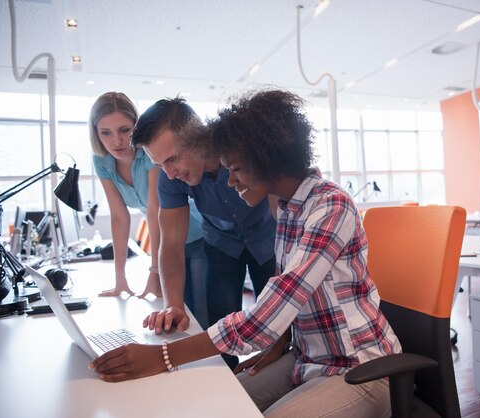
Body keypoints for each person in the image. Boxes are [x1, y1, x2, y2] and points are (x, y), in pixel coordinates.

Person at [90, 90, 401, 418]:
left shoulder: (329, 207)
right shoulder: (288, 209)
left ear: (267, 158)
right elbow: (291, 302)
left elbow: (268, 314)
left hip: (360, 366)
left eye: (236, 168)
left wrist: (164, 356)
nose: (230, 180)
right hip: (307, 359)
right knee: (214, 405)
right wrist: (281, 343)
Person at [128, 96, 277, 368]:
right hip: (221, 245)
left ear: (200, 137)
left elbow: (282, 207)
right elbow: (171, 245)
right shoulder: (170, 179)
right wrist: (173, 304)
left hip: (268, 238)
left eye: (172, 159)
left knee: (278, 317)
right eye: (160, 165)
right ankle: (228, 385)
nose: (170, 174)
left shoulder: (242, 151)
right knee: (219, 320)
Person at [89, 93, 207, 326]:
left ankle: (215, 362)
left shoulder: (150, 155)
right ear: (96, 134)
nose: (117, 141)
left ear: (136, 125)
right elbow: (119, 216)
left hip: (194, 234)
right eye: (106, 133)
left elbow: (155, 210)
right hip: (165, 242)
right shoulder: (102, 161)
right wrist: (119, 277)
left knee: (198, 315)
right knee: (175, 313)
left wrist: (154, 271)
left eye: (124, 130)